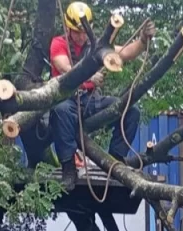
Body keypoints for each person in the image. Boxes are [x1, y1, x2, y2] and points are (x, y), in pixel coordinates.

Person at [49, 2, 156, 190]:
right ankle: (68, 167)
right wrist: (89, 76)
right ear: (68, 28)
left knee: (130, 111)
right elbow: (64, 67)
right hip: (68, 102)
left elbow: (125, 52)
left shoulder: (96, 46)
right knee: (60, 110)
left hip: (91, 101)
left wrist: (142, 40)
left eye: (84, 32)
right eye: (77, 32)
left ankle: (115, 158)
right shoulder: (59, 43)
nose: (81, 37)